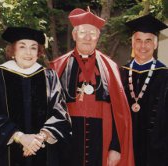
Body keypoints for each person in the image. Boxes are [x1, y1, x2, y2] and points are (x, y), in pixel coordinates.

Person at [0, 27, 72, 166]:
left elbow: (60, 113)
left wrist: (39, 138)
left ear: (39, 52)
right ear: (13, 50)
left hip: (43, 150)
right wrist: (20, 137)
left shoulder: (49, 77)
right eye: (22, 46)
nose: (28, 52)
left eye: (33, 47)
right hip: (6, 154)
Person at [50, 8, 134, 166]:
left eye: (93, 33)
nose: (87, 38)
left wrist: (115, 147)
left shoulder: (111, 67)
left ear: (98, 37)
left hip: (102, 138)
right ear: (75, 35)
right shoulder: (57, 66)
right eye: (83, 33)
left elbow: (119, 112)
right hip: (66, 140)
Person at [121, 14, 168, 166]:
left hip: (158, 148)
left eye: (148, 41)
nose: (143, 46)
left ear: (155, 44)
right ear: (132, 43)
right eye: (138, 40)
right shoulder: (120, 73)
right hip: (125, 145)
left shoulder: (165, 75)